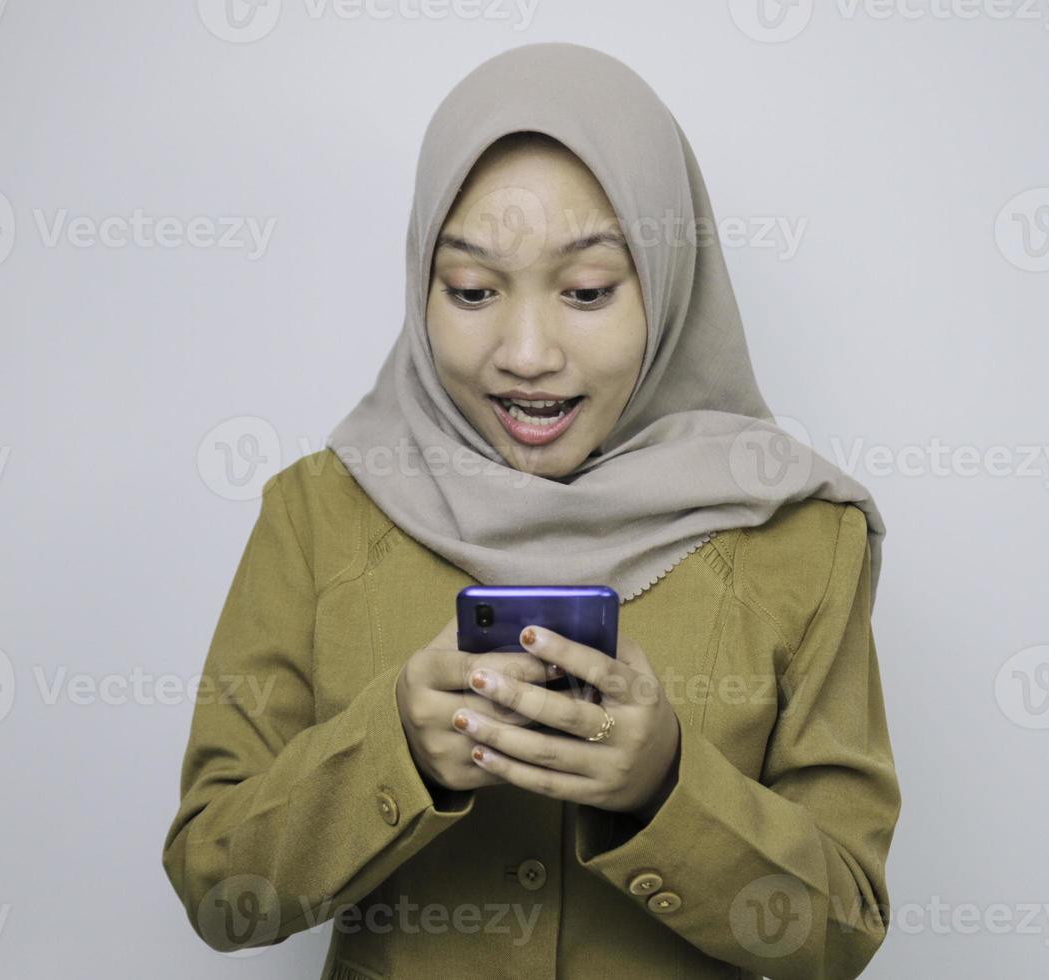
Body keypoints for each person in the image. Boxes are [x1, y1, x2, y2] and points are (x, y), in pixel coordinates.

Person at [162, 41, 901, 980]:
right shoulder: (321, 512)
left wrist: (666, 788)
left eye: (587, 291)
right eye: (471, 290)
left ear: (668, 282)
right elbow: (216, 888)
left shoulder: (800, 536)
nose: (524, 351)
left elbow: (842, 931)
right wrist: (395, 750)